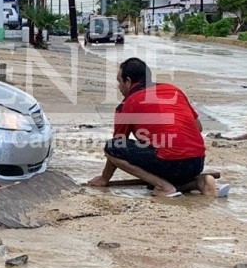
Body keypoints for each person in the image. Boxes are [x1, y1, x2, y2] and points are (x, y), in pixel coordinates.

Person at [88, 58, 229, 198]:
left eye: (119, 82)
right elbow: (198, 127)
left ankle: (164, 187)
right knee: (153, 180)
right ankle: (201, 182)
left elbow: (118, 144)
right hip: (197, 162)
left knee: (111, 147)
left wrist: (104, 178)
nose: (119, 87)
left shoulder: (127, 104)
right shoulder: (174, 90)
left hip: (170, 163)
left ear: (128, 81)